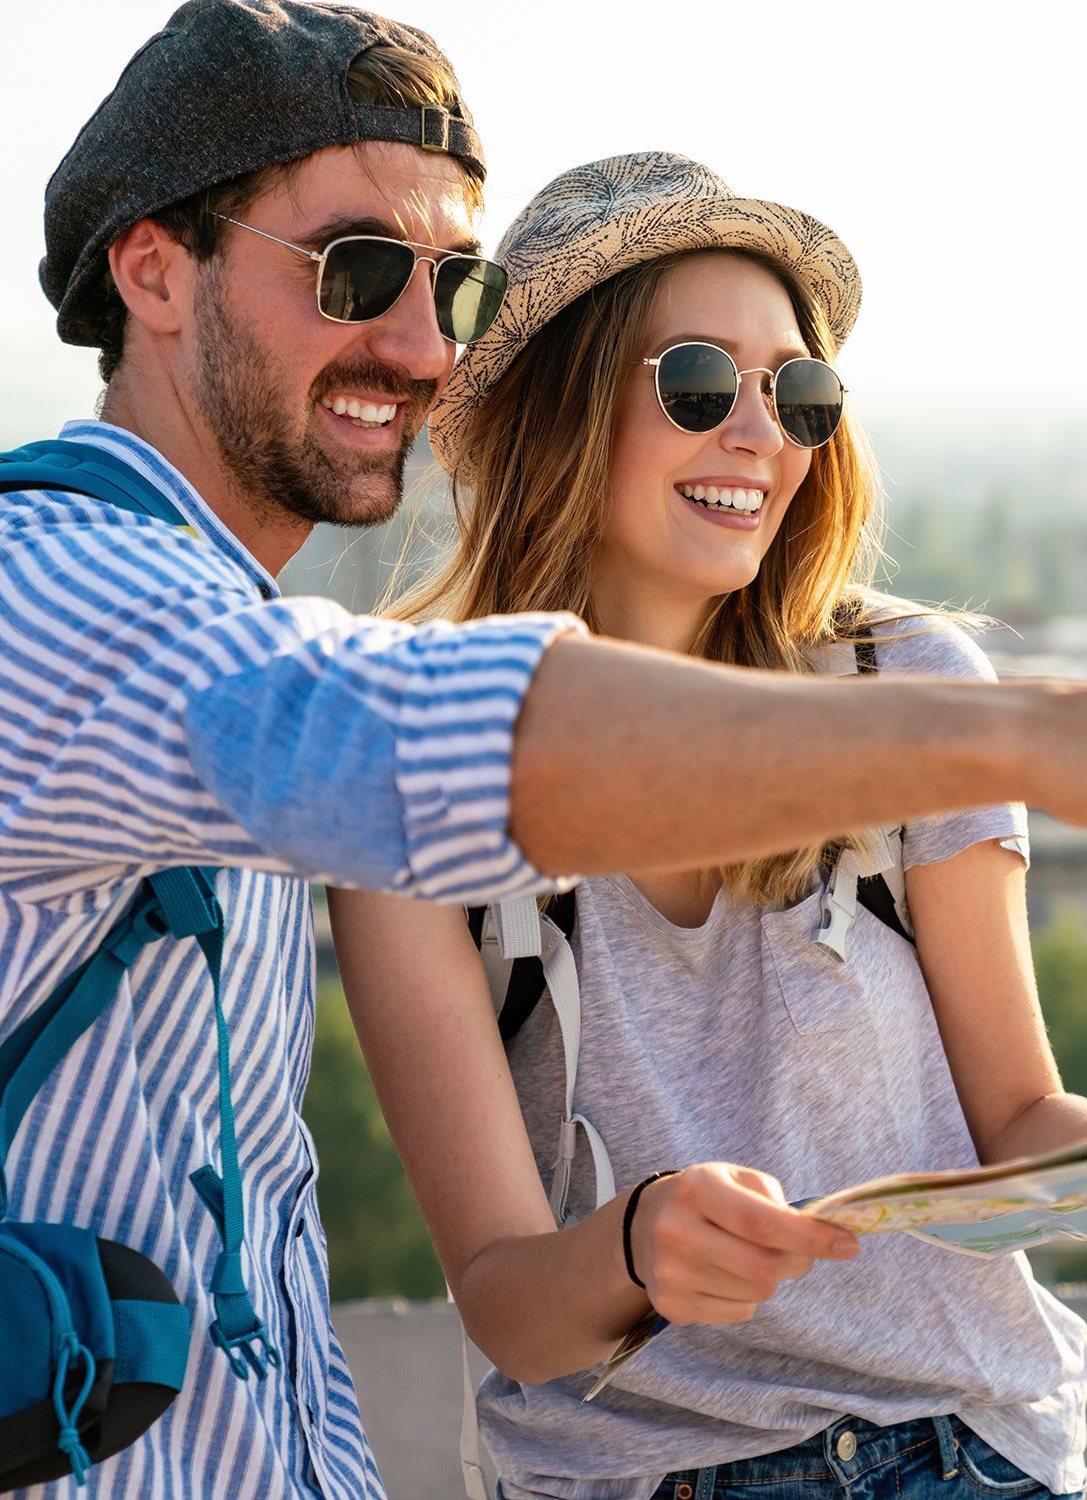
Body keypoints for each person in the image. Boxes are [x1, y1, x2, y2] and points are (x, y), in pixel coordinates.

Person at [0, 5, 1087, 1495]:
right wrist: (1009, 729)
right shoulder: (47, 591)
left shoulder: (221, 631)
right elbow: (411, 741)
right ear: (154, 270)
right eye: (353, 269)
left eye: (452, 289)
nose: (417, 343)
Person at [329, 152, 1087, 1500]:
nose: (761, 436)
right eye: (696, 384)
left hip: (977, 1453)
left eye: (800, 395)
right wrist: (638, 1246)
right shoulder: (408, 767)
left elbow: (1019, 1116)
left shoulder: (905, 687)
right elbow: (508, 1303)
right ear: (563, 413)